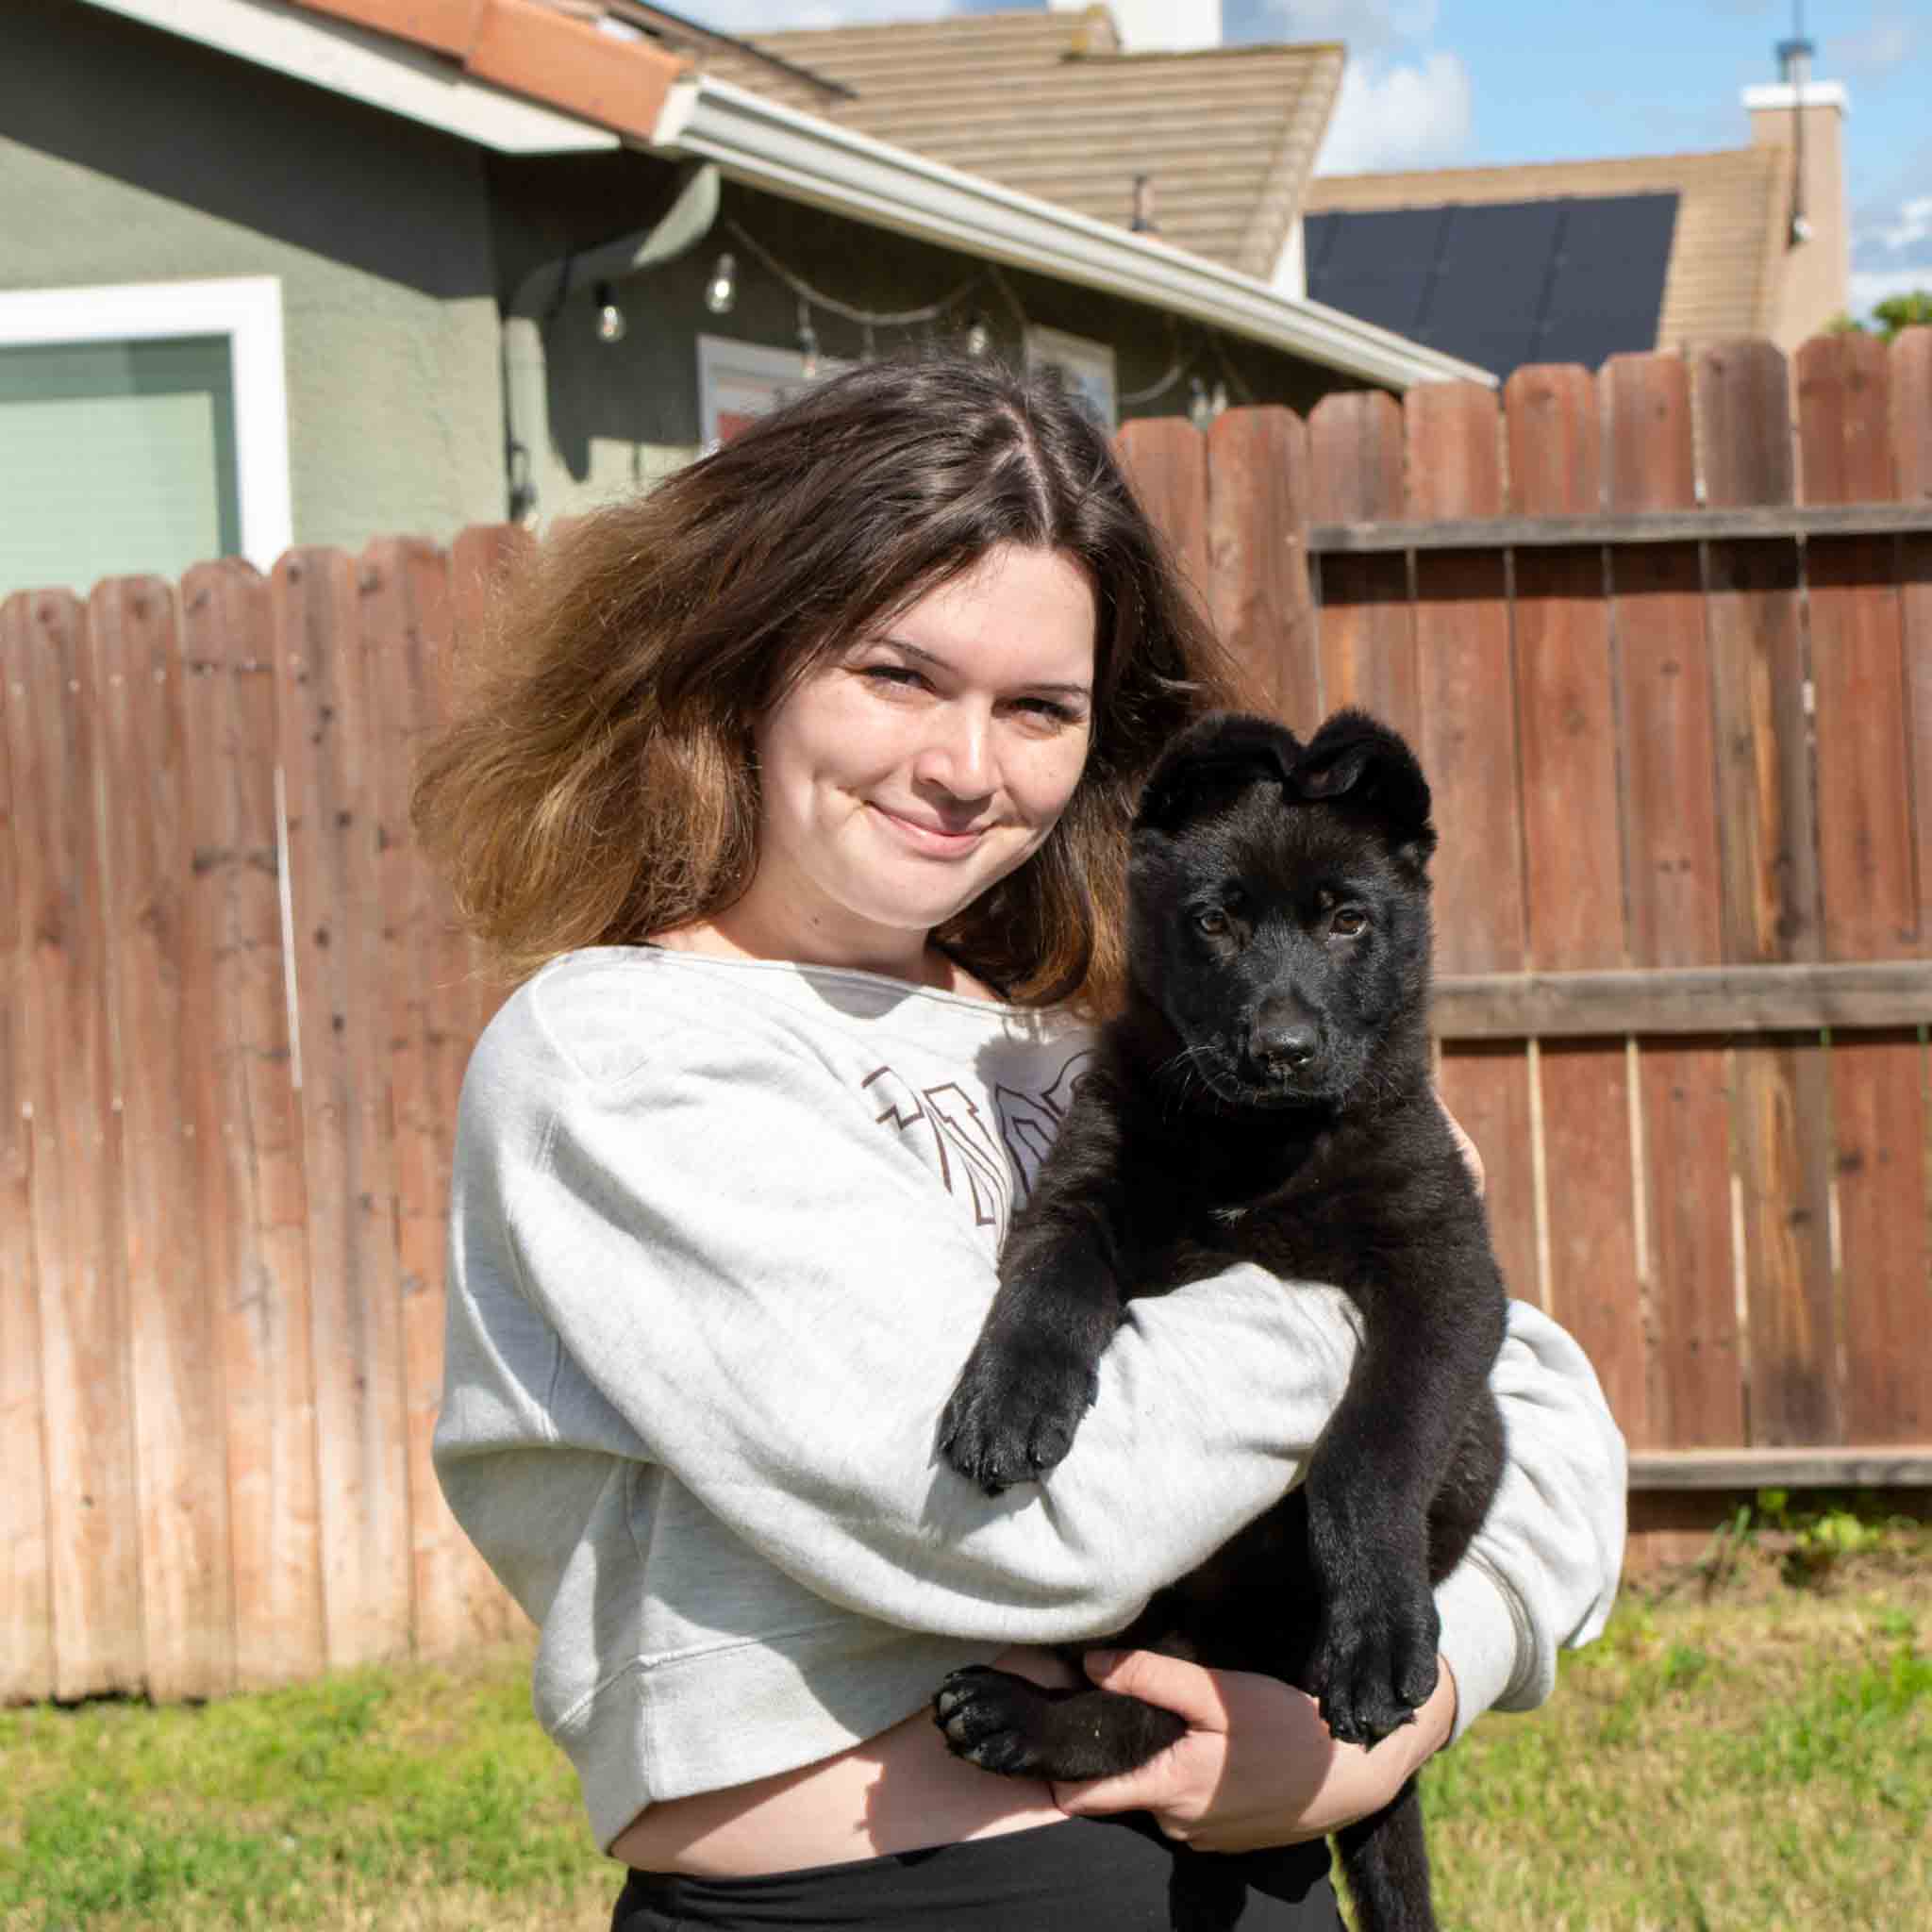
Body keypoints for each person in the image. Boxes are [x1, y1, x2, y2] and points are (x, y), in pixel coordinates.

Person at [415, 355, 1626, 1932]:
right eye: (897, 676)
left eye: (1039, 708)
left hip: (1249, 1878)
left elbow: (1541, 1409)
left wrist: (1411, 1705)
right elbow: (1026, 1525)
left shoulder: (1089, 1042)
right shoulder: (621, 1062)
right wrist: (1374, 1283)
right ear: (742, 660)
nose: (967, 766)